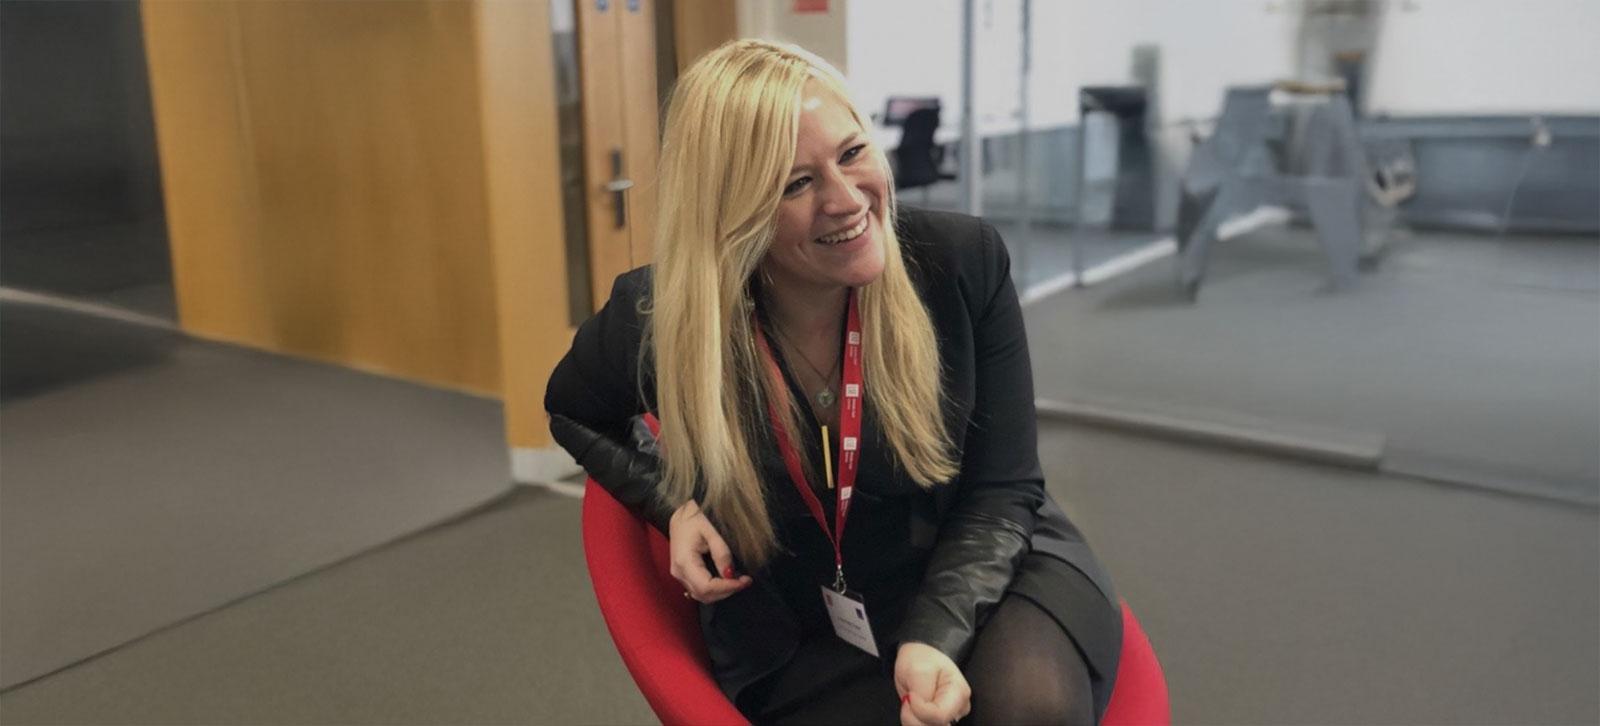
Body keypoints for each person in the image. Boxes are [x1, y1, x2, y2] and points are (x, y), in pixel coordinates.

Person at [546, 39, 1121, 725]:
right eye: (795, 183)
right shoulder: (662, 317)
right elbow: (572, 409)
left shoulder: (962, 264)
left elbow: (1004, 489)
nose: (848, 200)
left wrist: (935, 635)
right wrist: (670, 502)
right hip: (802, 608)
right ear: (733, 214)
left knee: (1033, 713)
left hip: (980, 558)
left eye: (852, 153)